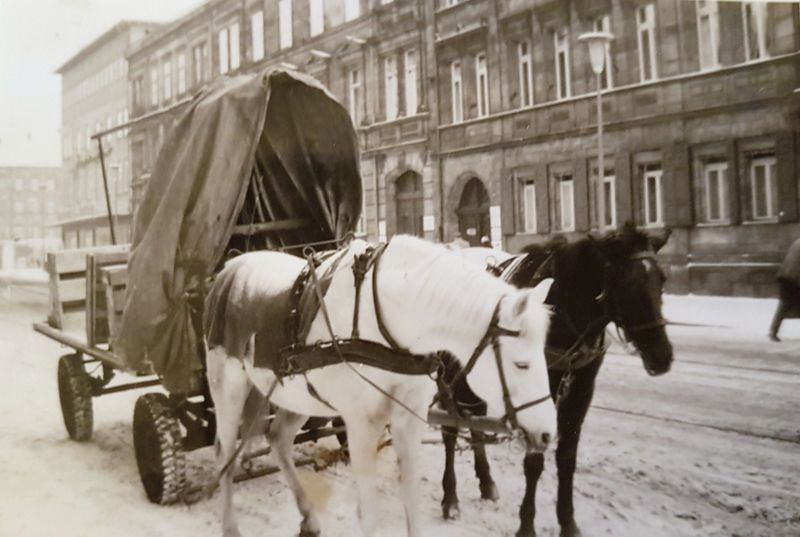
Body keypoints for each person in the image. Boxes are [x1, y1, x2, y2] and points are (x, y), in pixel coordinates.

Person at [768, 237, 800, 341]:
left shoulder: (797, 241)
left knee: (784, 305)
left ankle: (773, 330)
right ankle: (773, 330)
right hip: (794, 278)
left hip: (786, 276)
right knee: (785, 305)